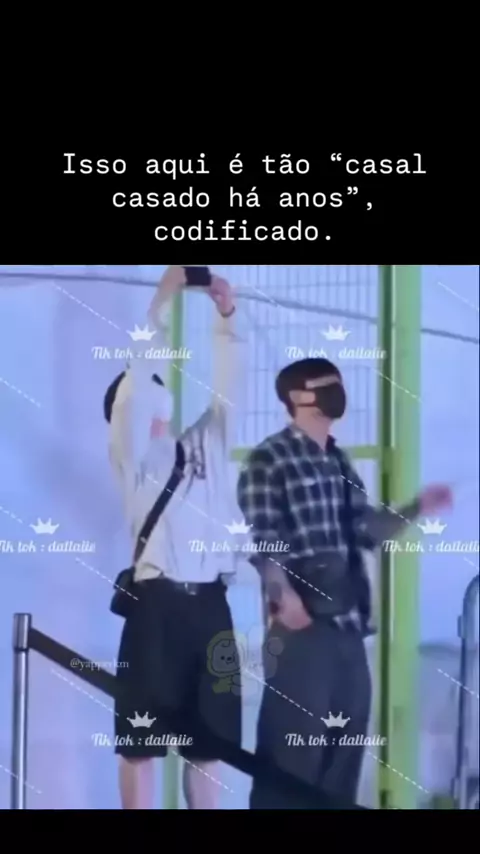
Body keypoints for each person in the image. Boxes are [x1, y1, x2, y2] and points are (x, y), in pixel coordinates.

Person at [237, 357, 453, 809]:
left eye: (337, 382)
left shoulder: (337, 460)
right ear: (297, 397)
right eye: (324, 384)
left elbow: (366, 529)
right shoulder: (269, 458)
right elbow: (264, 539)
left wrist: (417, 507)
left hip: (349, 628)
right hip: (302, 631)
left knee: (344, 756)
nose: (336, 390)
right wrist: (283, 596)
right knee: (292, 758)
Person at [105, 266, 245, 809]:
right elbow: (140, 376)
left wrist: (227, 317)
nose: (156, 406)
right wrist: (161, 302)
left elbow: (232, 390)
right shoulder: (134, 459)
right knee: (139, 742)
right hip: (157, 606)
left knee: (210, 745)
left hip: (211, 605)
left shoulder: (205, 443)